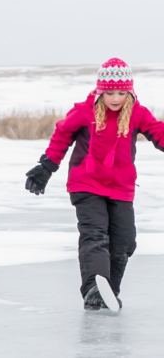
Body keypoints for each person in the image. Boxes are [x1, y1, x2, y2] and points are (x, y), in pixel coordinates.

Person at [25, 58, 164, 310]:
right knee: (95, 235)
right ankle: (93, 289)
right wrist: (46, 167)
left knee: (124, 242)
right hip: (86, 184)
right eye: (109, 92)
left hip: (121, 187)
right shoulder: (85, 111)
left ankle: (107, 292)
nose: (115, 98)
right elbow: (61, 136)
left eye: (121, 92)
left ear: (129, 92)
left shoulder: (136, 113)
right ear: (101, 90)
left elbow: (158, 132)